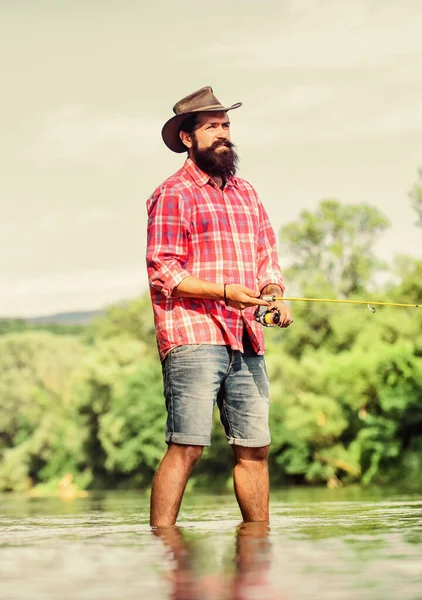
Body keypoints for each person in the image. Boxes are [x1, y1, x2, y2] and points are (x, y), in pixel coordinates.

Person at [146, 86, 292, 527]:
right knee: (187, 445)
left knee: (255, 449)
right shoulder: (173, 193)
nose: (222, 134)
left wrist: (274, 292)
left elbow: (267, 254)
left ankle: (257, 545)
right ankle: (162, 547)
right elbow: (164, 271)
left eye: (226, 126)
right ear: (188, 138)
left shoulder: (247, 192)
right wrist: (225, 291)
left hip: (248, 335)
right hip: (194, 337)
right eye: (212, 127)